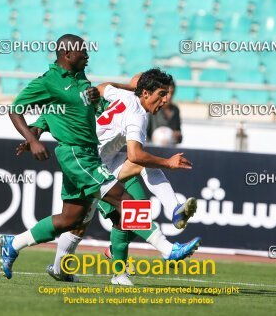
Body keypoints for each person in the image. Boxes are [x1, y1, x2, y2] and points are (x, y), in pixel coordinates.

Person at [0, 34, 171, 285]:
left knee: (72, 219)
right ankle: (168, 249)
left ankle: (12, 244)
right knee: (125, 201)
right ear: (67, 55)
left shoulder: (80, 78)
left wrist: (91, 100)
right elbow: (16, 109)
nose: (87, 55)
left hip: (88, 153)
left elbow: (67, 111)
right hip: (77, 155)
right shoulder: (48, 81)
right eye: (82, 52)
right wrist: (34, 139)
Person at [18, 69, 199, 285]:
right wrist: (169, 162)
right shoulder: (135, 113)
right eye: (162, 94)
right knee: (84, 220)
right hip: (91, 165)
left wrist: (127, 88)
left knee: (96, 217)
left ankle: (171, 214)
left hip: (105, 160)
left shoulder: (122, 95)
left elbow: (103, 87)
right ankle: (131, 263)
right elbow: (135, 154)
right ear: (145, 90)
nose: (166, 99)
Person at [147, 81, 183, 145]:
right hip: (153, 151)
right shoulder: (152, 109)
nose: (169, 96)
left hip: (171, 151)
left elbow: (179, 136)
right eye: (167, 93)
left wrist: (178, 136)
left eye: (172, 93)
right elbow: (144, 135)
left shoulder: (175, 110)